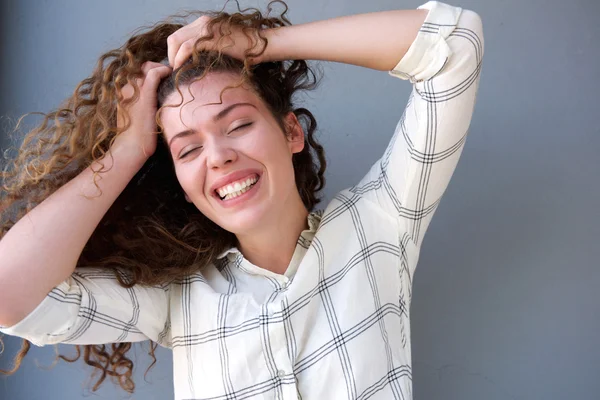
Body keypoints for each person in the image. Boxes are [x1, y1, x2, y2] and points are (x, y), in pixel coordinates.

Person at [0, 0, 484, 398]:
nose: (218, 157)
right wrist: (127, 151)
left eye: (238, 124)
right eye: (187, 149)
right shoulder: (177, 298)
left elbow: (455, 43)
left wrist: (263, 44)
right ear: (184, 188)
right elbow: (9, 295)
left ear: (291, 132)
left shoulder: (378, 224)